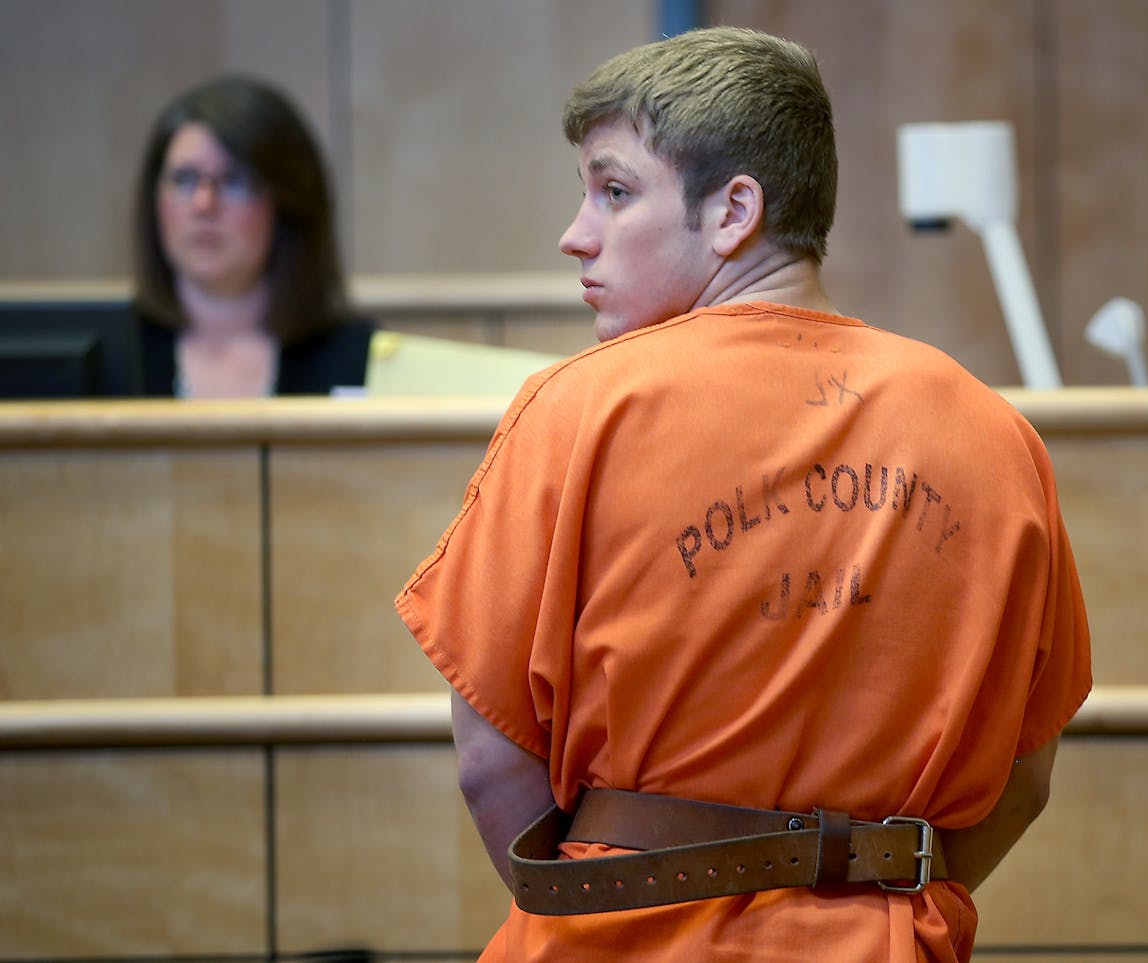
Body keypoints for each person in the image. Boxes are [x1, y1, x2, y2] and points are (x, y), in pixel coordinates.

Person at [396, 26, 1090, 963]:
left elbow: (490, 765)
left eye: (614, 190)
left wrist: (606, 903)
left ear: (733, 212)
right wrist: (868, 899)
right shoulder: (993, 433)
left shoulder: (575, 409)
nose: (576, 234)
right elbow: (1027, 772)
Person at [131, 74, 374, 397]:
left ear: (289, 203)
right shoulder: (115, 352)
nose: (204, 204)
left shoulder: (359, 358)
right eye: (184, 179)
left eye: (234, 181)